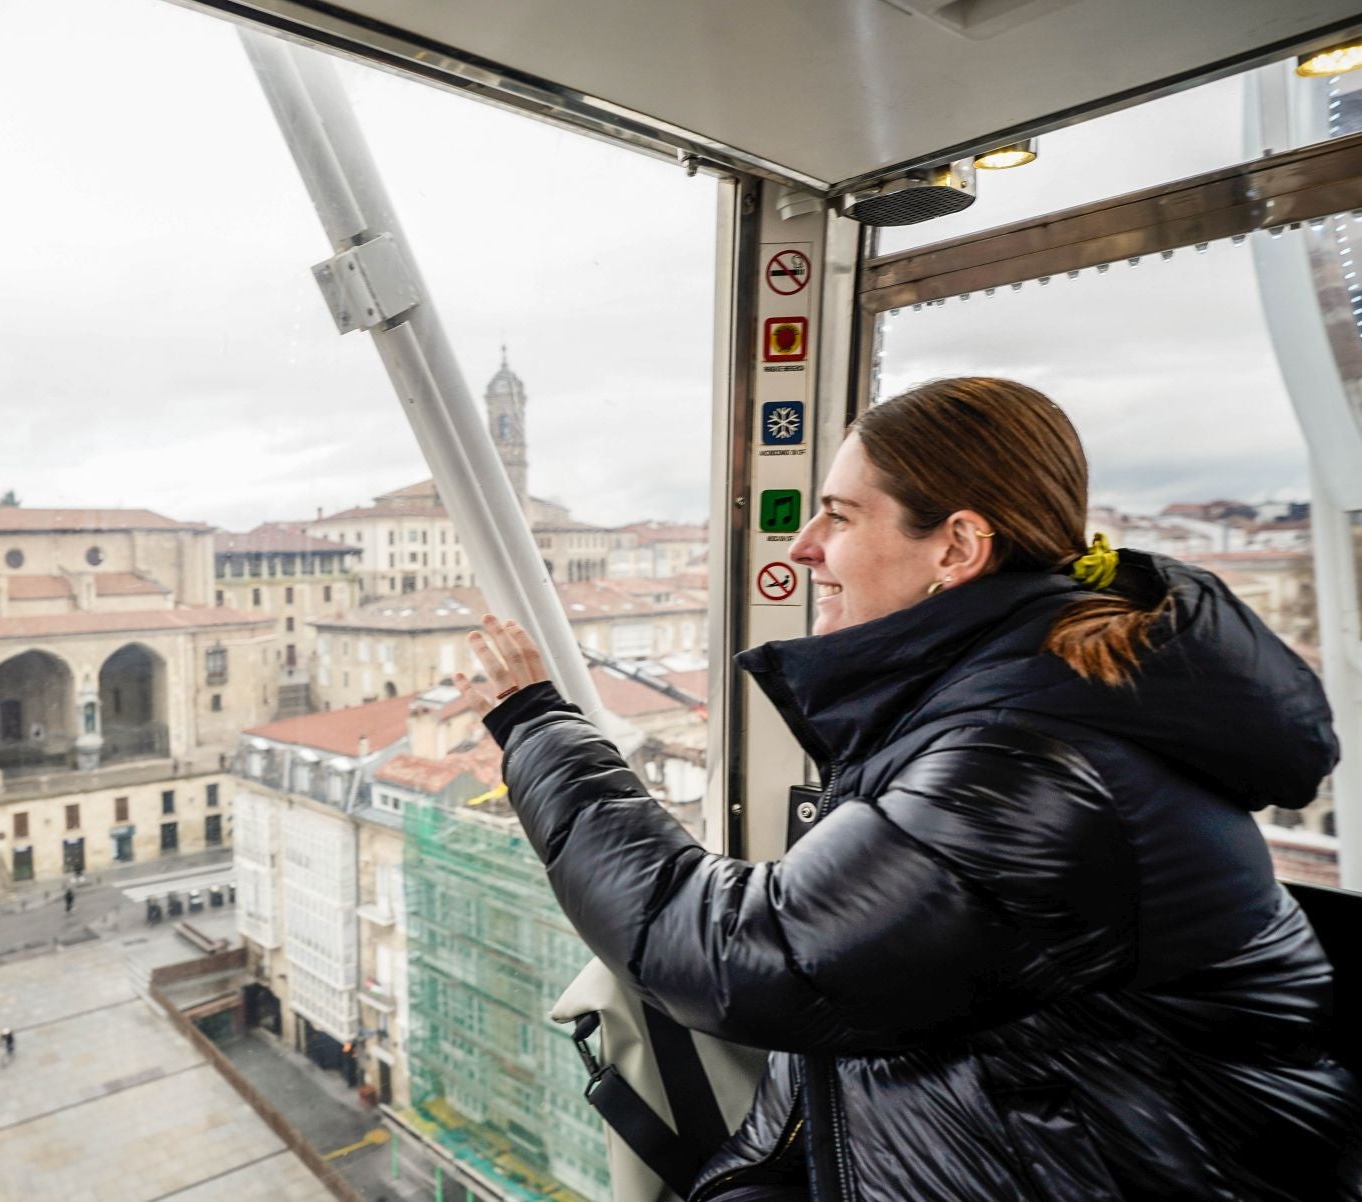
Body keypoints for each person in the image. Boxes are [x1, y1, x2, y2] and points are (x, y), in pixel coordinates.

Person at [456, 378, 1361, 1202]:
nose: (804, 548)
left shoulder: (1031, 762)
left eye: (841, 517)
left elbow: (743, 957)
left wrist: (537, 728)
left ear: (958, 547)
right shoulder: (1018, 697)